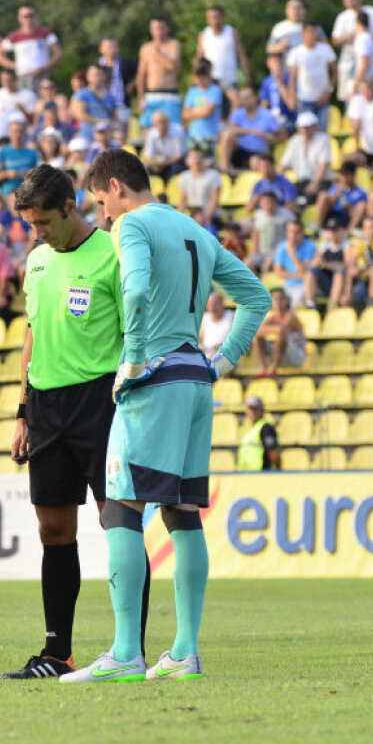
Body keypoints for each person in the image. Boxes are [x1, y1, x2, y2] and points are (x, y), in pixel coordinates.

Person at [64, 148, 269, 683]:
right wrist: (221, 362)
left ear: (115, 187)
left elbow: (134, 289)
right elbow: (257, 298)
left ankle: (125, 653)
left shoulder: (131, 225)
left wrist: (132, 359)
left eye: (100, 202)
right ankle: (183, 653)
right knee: (182, 513)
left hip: (154, 377)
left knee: (121, 508)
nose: (102, 215)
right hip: (195, 379)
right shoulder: (196, 230)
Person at [0, 165, 142, 680]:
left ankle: (130, 649)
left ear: (70, 208)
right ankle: (57, 653)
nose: (38, 233)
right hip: (45, 407)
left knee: (118, 522)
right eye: (31, 225)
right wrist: (22, 411)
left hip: (101, 402)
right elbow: (33, 335)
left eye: (44, 223)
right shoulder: (36, 261)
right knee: (53, 529)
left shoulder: (113, 254)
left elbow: (134, 334)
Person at [0, 5, 62, 91]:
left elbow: (58, 53)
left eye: (31, 15)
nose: (29, 19)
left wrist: (45, 67)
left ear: (36, 17)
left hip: (43, 76)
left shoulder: (45, 33)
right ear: (20, 18)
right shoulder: (15, 36)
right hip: (23, 77)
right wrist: (13, 65)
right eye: (25, 16)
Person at [284, 22, 337, 130]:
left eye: (315, 32)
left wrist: (329, 91)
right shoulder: (296, 52)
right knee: (305, 130)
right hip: (304, 99)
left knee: (321, 131)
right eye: (310, 32)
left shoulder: (326, 49)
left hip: (322, 97)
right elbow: (292, 77)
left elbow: (335, 71)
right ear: (303, 33)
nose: (313, 35)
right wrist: (292, 97)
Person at [195, 6, 250, 106]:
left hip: (230, 79)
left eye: (217, 17)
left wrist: (246, 77)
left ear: (222, 17)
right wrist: (197, 79)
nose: (214, 21)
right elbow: (199, 58)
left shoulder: (232, 33)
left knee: (234, 105)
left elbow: (241, 56)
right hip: (210, 80)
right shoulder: (204, 35)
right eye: (211, 18)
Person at [219, 86, 281, 173]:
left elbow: (281, 135)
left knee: (255, 162)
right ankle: (224, 170)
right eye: (242, 98)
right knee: (226, 135)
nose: (244, 100)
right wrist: (251, 131)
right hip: (240, 150)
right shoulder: (238, 113)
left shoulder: (267, 115)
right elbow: (231, 129)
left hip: (257, 153)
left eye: (247, 97)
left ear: (256, 97)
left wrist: (269, 138)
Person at [136, 17, 183, 127]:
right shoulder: (145, 48)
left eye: (162, 28)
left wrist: (157, 53)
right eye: (156, 28)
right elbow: (141, 76)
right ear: (151, 30)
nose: (159, 32)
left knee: (172, 128)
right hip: (151, 95)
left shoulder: (174, 45)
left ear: (167, 29)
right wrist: (141, 99)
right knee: (148, 128)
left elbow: (171, 67)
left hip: (170, 94)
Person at [253, 289, 307, 376]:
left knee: (281, 336)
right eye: (275, 299)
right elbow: (256, 332)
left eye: (281, 299)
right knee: (257, 338)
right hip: (283, 355)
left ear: (287, 301)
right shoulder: (272, 318)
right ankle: (263, 369)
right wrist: (272, 329)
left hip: (296, 357)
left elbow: (281, 330)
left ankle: (273, 368)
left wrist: (267, 330)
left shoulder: (291, 316)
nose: (278, 302)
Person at [304, 222, 352, 307]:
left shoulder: (347, 245)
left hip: (342, 283)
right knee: (310, 272)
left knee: (340, 273)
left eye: (335, 231)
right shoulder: (324, 245)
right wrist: (318, 260)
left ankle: (333, 304)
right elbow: (315, 263)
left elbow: (347, 265)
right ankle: (309, 303)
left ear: (341, 231)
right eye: (330, 231)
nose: (333, 234)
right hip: (326, 281)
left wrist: (327, 265)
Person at [181, 59, 222, 155]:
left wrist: (192, 111)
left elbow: (208, 112)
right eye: (197, 77)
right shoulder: (192, 91)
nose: (199, 80)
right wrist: (202, 111)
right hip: (193, 134)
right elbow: (185, 114)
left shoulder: (215, 90)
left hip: (210, 134)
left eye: (202, 77)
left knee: (208, 161)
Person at [237, 396, 280, 471]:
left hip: (261, 474)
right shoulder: (250, 428)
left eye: (255, 409)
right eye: (250, 408)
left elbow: (273, 453)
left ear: (262, 410)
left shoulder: (266, 428)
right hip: (246, 474)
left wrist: (278, 473)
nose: (252, 411)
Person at [198, 290, 233, 358]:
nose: (212, 308)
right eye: (210, 305)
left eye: (215, 304)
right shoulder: (204, 318)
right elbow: (199, 339)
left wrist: (219, 346)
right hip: (206, 356)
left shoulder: (231, 316)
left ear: (222, 304)